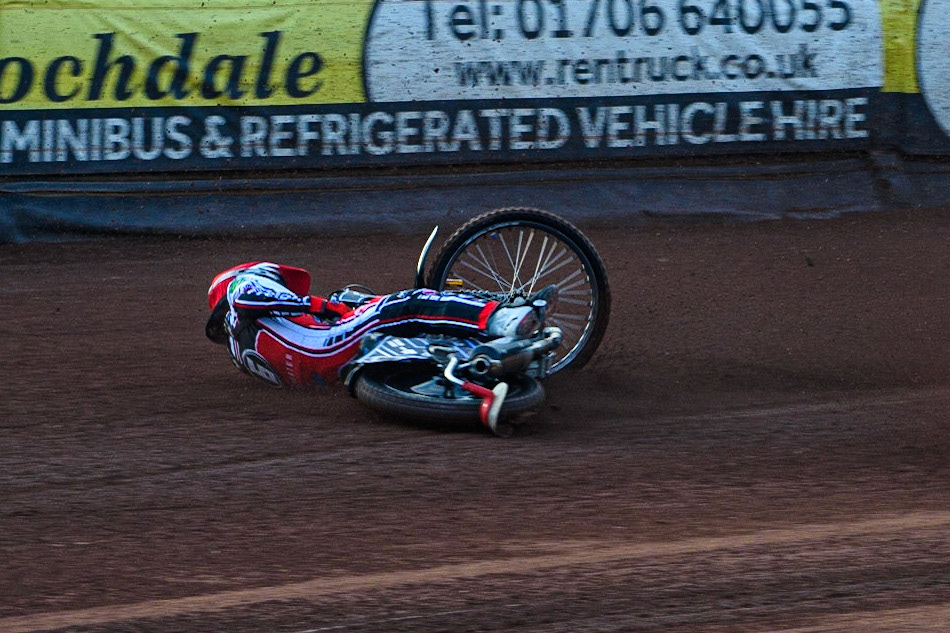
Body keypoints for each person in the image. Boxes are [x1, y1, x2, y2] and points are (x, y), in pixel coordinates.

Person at [205, 261, 538, 388]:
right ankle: (501, 318)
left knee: (400, 328)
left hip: (322, 373)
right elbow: (250, 296)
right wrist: (323, 305)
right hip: (329, 344)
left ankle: (473, 363)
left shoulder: (239, 349)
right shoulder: (241, 287)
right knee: (408, 304)